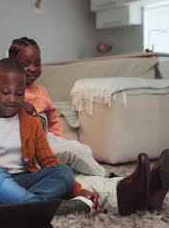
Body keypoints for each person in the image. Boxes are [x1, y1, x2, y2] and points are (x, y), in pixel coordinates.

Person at [0, 58, 100, 215]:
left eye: (19, 94)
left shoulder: (32, 124)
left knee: (64, 172)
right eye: (5, 92)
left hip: (26, 179)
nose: (12, 99)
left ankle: (4, 206)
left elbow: (48, 160)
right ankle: (46, 208)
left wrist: (79, 191)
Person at [7, 37, 108, 177]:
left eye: (38, 64)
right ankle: (108, 176)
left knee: (82, 148)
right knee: (74, 152)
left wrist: (61, 141)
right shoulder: (4, 90)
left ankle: (94, 177)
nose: (33, 69)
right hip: (23, 147)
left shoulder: (41, 91)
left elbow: (53, 120)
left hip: (47, 138)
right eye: (26, 64)